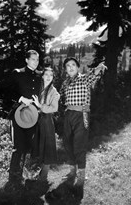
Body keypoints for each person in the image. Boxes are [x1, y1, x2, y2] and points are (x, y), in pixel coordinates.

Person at [60, 57, 107, 196]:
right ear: (65, 70)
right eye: (67, 66)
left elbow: (93, 76)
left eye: (73, 65)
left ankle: (81, 175)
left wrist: (97, 69)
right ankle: (72, 171)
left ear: (78, 67)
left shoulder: (84, 79)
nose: (70, 67)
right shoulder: (65, 83)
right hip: (68, 114)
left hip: (81, 114)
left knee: (79, 144)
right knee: (68, 143)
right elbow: (60, 96)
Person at [5, 50, 42, 182]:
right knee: (18, 147)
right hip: (18, 114)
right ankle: (14, 179)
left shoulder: (40, 75)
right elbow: (7, 92)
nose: (35, 62)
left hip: (33, 115)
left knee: (32, 145)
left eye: (37, 60)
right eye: (33, 59)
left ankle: (31, 176)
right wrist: (21, 98)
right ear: (27, 60)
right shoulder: (18, 73)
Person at [32, 67, 60, 181]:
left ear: (53, 78)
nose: (48, 77)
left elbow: (54, 108)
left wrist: (40, 106)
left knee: (48, 147)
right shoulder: (40, 89)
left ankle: (44, 177)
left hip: (47, 120)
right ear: (42, 76)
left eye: (51, 75)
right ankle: (41, 172)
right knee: (41, 146)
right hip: (39, 120)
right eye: (46, 74)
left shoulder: (54, 91)